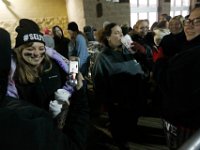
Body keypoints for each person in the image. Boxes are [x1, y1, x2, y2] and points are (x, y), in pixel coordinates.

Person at [0, 27, 89, 150]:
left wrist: (71, 86)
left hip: (66, 126)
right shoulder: (13, 74)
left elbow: (74, 78)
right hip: (39, 133)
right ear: (19, 50)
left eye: (41, 48)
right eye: (30, 49)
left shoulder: (53, 63)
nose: (36, 53)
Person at [92, 22, 148, 150]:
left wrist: (142, 53)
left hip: (135, 98)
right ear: (107, 37)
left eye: (122, 33)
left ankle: (130, 135)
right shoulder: (103, 57)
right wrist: (110, 102)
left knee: (132, 122)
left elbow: (143, 68)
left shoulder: (128, 51)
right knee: (120, 130)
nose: (121, 36)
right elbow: (99, 82)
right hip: (118, 104)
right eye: (116, 33)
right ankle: (121, 142)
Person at [153, 7, 200, 150]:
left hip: (185, 121)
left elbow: (169, 82)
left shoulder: (195, 53)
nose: (190, 26)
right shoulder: (189, 45)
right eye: (188, 21)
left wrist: (159, 62)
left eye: (197, 21)